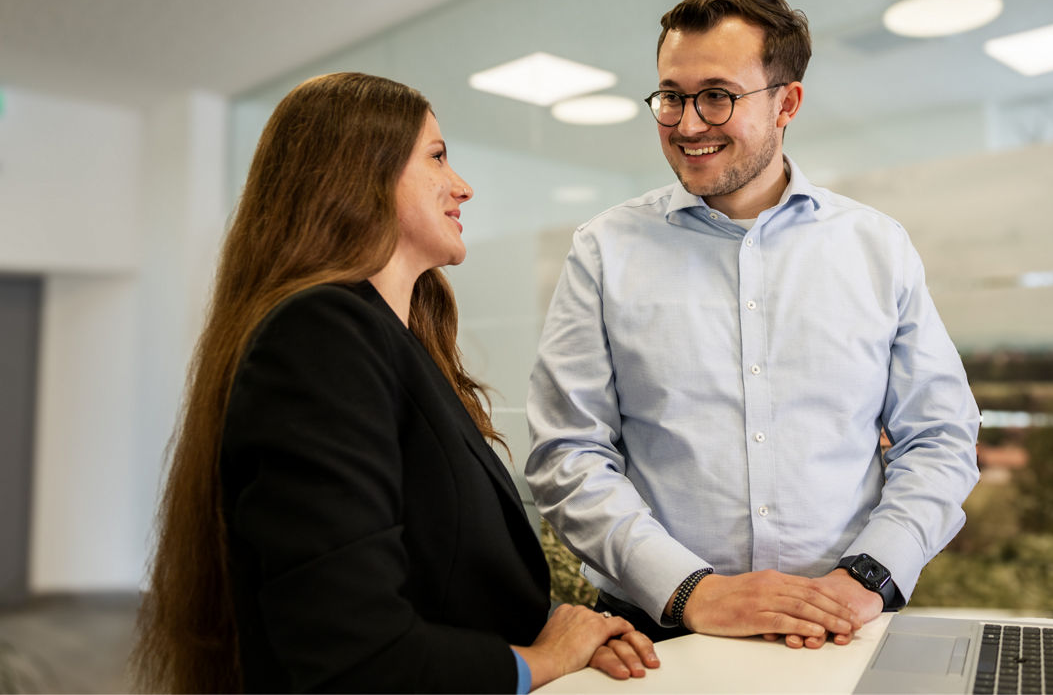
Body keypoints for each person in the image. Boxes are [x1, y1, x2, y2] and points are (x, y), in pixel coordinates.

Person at [131, 72, 658, 693]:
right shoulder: (319, 334)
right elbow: (353, 653)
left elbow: (438, 574)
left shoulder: (390, 342)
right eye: (436, 156)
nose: (462, 186)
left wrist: (566, 633)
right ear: (358, 173)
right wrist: (541, 659)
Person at [525, 0, 981, 649]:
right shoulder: (604, 249)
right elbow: (568, 452)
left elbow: (939, 437)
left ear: (786, 102)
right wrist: (690, 591)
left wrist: (870, 576)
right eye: (671, 97)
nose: (686, 124)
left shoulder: (875, 246)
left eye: (717, 95)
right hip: (660, 633)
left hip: (840, 623)